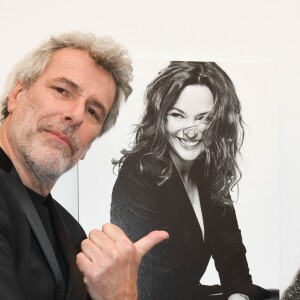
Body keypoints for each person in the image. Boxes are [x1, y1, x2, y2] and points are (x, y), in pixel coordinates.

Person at [0, 31, 169, 300]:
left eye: (93, 111)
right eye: (62, 90)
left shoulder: (73, 235)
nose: (75, 115)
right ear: (17, 94)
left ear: (89, 145)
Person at [111, 61, 276, 300]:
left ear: (219, 122)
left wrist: (238, 295)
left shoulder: (206, 170)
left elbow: (231, 253)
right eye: (178, 115)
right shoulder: (139, 173)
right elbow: (156, 282)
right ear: (161, 118)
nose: (191, 131)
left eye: (203, 118)